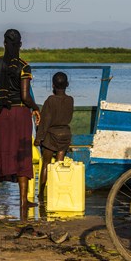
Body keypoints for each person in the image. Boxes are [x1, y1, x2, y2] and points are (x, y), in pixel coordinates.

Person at [0, 29, 41, 221]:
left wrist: (2, 91)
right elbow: (25, 96)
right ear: (20, 45)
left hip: (1, 113)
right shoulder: (24, 66)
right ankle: (23, 201)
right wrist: (35, 107)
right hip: (20, 113)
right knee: (21, 154)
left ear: (4, 43)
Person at [34, 72, 74, 202]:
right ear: (67, 84)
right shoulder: (70, 99)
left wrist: (39, 138)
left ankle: (40, 194)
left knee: (46, 164)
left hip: (51, 135)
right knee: (59, 165)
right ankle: (56, 192)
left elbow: (45, 121)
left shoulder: (50, 100)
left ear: (52, 85)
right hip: (65, 135)